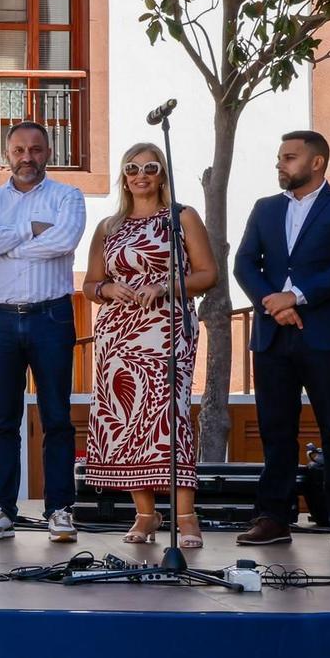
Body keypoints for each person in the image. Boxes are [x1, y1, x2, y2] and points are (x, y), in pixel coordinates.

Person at [234, 130, 330, 548]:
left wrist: (297, 296)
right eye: (280, 157)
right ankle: (274, 517)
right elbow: (243, 263)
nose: (280, 164)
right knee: (276, 429)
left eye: (289, 157)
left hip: (326, 334)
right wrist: (273, 303)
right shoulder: (265, 208)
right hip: (273, 336)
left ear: (316, 162)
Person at [80, 143, 218, 547]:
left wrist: (165, 285)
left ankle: (187, 517)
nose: (141, 175)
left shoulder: (180, 218)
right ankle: (145, 515)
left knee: (166, 416)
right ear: (123, 176)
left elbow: (208, 274)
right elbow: (89, 284)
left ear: (162, 173)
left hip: (166, 327)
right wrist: (107, 288)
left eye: (150, 167)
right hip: (116, 334)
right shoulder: (108, 226)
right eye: (132, 168)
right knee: (123, 418)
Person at [0, 121, 88, 543]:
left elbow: (64, 240)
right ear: (7, 154)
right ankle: (1, 509)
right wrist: (30, 230)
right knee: (3, 420)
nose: (27, 157)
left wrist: (5, 241)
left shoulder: (67, 196)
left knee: (56, 416)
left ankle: (60, 510)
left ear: (48, 152)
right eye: (19, 149)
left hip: (50, 316)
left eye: (35, 149)